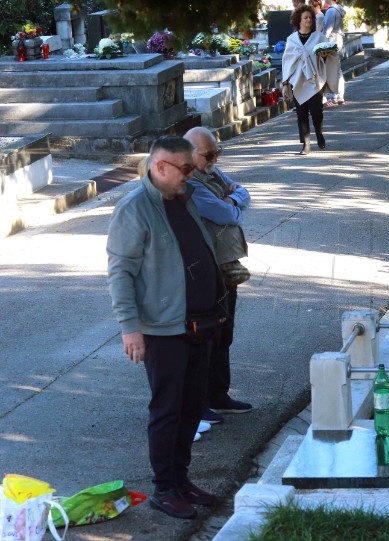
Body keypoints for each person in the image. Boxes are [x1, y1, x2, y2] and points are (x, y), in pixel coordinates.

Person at [107, 135, 227, 519]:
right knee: (168, 409)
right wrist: (130, 328)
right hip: (163, 329)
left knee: (193, 407)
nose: (192, 176)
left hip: (200, 322)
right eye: (186, 169)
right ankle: (163, 488)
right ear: (161, 167)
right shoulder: (135, 209)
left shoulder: (184, 198)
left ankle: (181, 479)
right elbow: (120, 272)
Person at [183, 127, 253, 426]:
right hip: (206, 267)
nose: (214, 159)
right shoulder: (191, 183)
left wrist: (232, 199)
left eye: (217, 153)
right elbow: (226, 215)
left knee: (225, 332)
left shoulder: (212, 171)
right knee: (206, 335)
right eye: (208, 155)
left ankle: (218, 394)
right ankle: (198, 402)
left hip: (226, 265)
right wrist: (231, 203)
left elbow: (242, 193)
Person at [281, 4, 341, 155]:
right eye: (305, 17)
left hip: (315, 80)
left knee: (316, 112)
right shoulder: (292, 39)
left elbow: (331, 55)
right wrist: (285, 82)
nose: (308, 20)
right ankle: (306, 144)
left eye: (311, 18)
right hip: (298, 80)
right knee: (301, 114)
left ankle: (319, 134)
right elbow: (287, 61)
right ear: (299, 20)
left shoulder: (319, 37)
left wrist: (326, 55)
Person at [322, 0, 346, 106]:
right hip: (339, 40)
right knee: (337, 69)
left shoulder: (331, 11)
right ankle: (340, 95)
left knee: (330, 69)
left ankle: (333, 96)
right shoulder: (338, 10)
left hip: (331, 41)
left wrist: (321, 41)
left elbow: (327, 29)